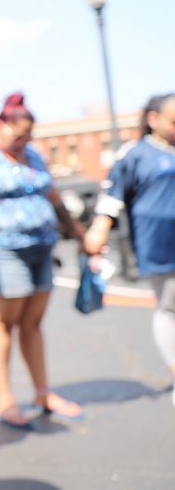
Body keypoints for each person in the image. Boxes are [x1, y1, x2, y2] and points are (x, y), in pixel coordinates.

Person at [0, 92, 87, 429]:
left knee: (33, 323)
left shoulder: (33, 156)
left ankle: (43, 392)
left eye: (28, 135)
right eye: (18, 134)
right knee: (2, 324)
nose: (23, 141)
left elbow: (55, 200)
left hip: (40, 249)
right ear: (0, 125)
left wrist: (82, 237)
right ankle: (4, 399)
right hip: (2, 250)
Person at [84, 93, 175, 406]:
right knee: (170, 306)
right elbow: (113, 194)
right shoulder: (136, 154)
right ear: (154, 119)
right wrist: (99, 228)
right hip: (160, 243)